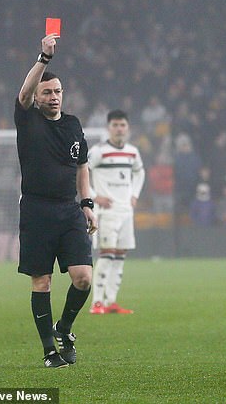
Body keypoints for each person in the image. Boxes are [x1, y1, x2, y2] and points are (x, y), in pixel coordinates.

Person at [15, 34, 97, 368]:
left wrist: (88, 202)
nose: (54, 97)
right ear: (37, 96)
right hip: (36, 209)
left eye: (58, 91)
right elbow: (22, 94)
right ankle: (50, 351)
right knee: (42, 280)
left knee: (83, 278)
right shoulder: (28, 118)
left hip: (69, 209)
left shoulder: (74, 124)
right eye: (47, 92)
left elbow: (82, 166)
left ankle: (64, 328)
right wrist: (43, 58)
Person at [88, 109, 145, 314]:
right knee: (106, 255)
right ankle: (97, 302)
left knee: (120, 256)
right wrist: (94, 196)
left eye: (122, 125)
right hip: (106, 213)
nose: (119, 129)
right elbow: (82, 172)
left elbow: (140, 172)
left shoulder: (132, 152)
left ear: (128, 128)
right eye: (115, 125)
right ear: (108, 128)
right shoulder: (99, 151)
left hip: (126, 212)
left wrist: (135, 194)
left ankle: (111, 301)